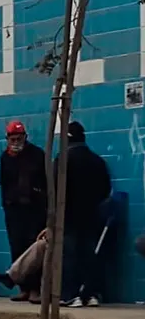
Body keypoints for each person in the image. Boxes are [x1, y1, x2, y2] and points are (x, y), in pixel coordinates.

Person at [59, 122, 112, 307]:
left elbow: (55, 190)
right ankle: (90, 293)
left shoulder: (63, 160)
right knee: (90, 255)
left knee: (69, 256)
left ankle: (70, 294)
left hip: (69, 216)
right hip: (92, 215)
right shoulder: (97, 161)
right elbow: (106, 189)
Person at [0, 120, 48, 303]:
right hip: (14, 211)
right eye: (13, 138)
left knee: (33, 248)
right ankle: (24, 288)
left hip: (34, 211)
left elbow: (45, 183)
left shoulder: (36, 155)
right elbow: (3, 183)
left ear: (25, 137)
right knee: (17, 246)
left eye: (19, 138)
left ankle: (36, 288)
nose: (16, 141)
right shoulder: (6, 158)